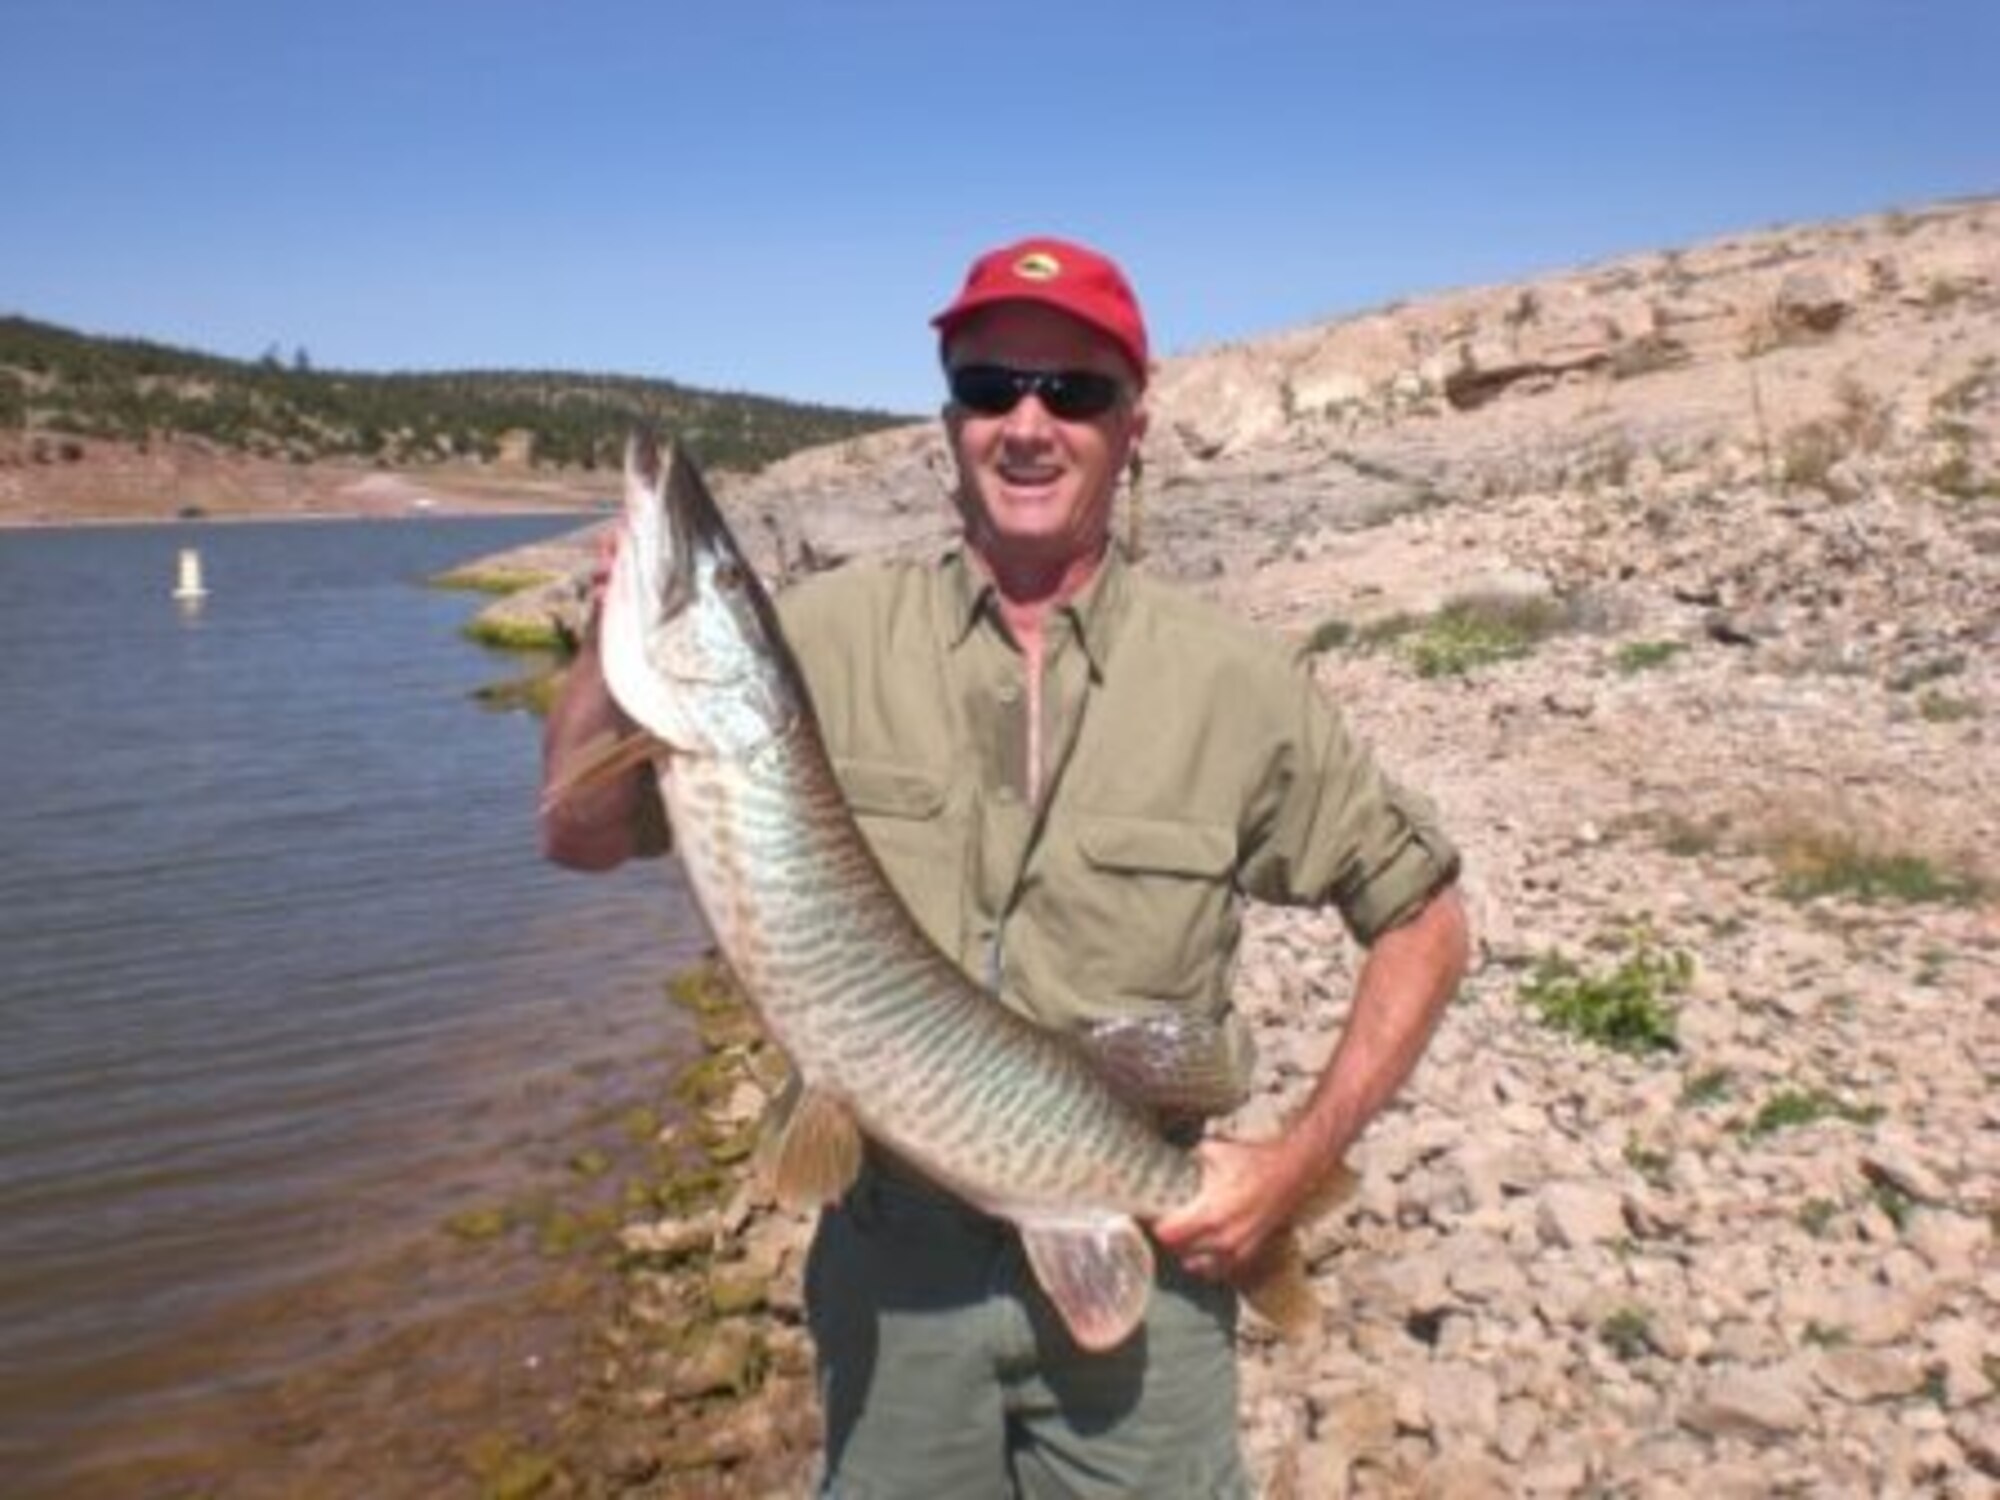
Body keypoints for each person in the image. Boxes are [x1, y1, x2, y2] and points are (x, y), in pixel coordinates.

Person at [541, 236, 1470, 1498]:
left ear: (1130, 425)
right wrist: (614, 645)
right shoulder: (817, 644)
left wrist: (1295, 1165)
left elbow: (1422, 917)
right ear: (950, 422)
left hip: (1138, 1259)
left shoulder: (1236, 688)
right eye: (991, 390)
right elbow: (577, 832)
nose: (1026, 424)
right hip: (892, 1277)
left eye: (1071, 392)